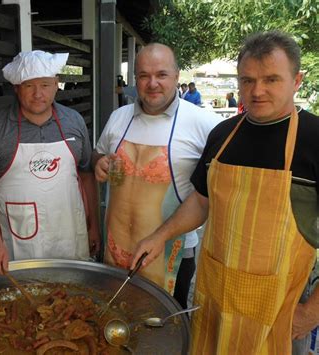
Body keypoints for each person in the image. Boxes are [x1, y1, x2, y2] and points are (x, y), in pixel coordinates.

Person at [131, 31, 318, 354]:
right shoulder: (223, 134)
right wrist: (160, 236)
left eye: (271, 79)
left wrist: (310, 313)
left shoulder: (315, 139)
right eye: (247, 80)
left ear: (297, 80)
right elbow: (201, 201)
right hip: (216, 299)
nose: (256, 91)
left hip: (279, 312)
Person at [92, 43, 221, 305]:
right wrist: (99, 163)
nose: (152, 83)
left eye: (161, 74)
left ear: (176, 76)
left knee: (162, 327)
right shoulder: (118, 117)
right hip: (115, 249)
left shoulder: (205, 124)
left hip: (168, 254)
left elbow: (216, 191)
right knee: (114, 320)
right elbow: (98, 154)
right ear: (135, 79)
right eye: (143, 75)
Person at [0, 50, 100, 274]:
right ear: (16, 88)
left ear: (56, 84)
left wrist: (94, 226)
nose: (38, 94)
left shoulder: (74, 122)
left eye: (45, 85)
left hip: (70, 234)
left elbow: (87, 176)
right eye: (29, 86)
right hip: (19, 242)